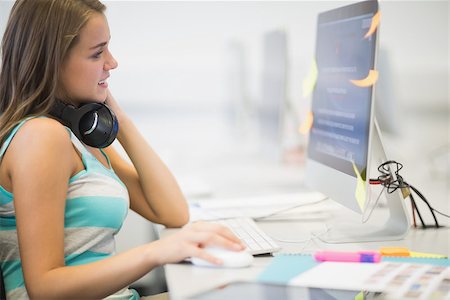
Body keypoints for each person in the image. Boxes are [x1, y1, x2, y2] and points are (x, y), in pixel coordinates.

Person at [0, 0, 245, 299]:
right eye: (97, 53)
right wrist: (154, 253)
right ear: (52, 62)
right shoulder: (41, 137)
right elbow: (45, 288)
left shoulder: (76, 138)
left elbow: (171, 212)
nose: (112, 62)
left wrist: (119, 120)